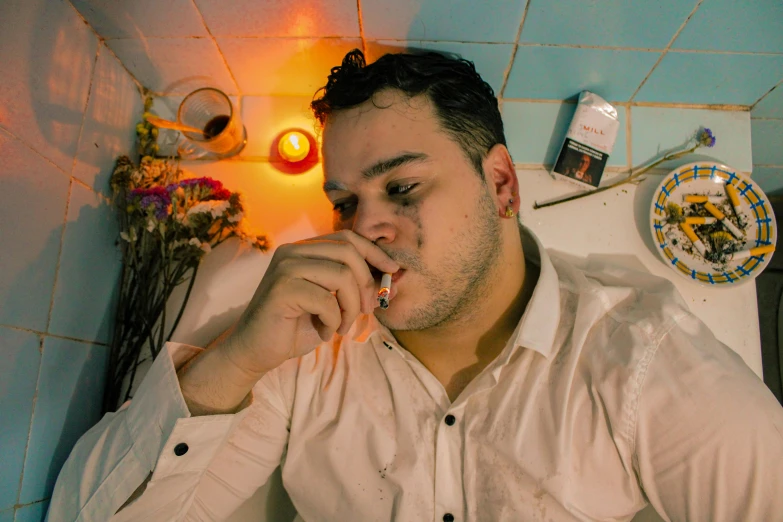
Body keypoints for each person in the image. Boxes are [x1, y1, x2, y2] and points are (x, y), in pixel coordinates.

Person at [49, 49, 783, 522]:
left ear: (499, 184)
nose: (365, 228)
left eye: (401, 187)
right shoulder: (302, 350)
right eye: (343, 202)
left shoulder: (640, 362)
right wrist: (237, 361)